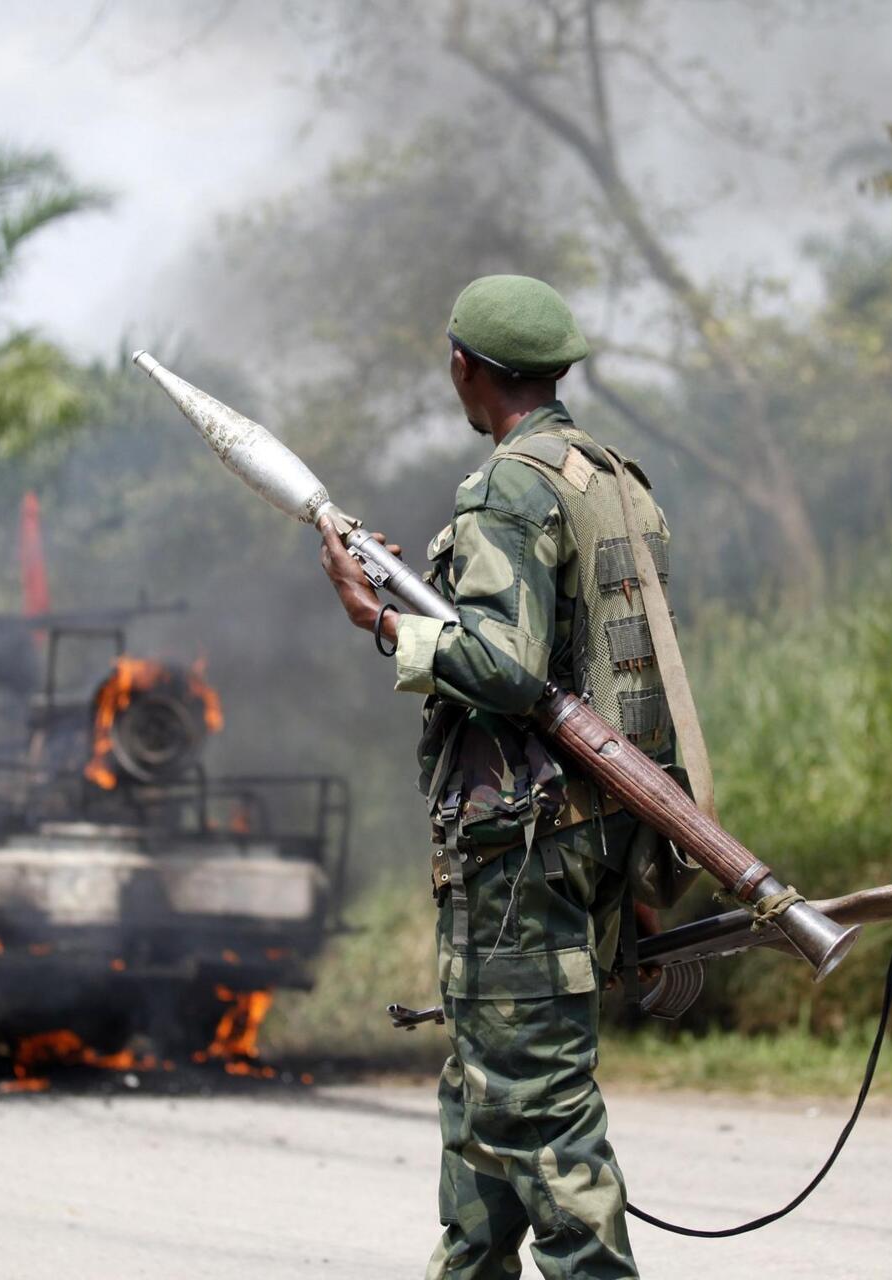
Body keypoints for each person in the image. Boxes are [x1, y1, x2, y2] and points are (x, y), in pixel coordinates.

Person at [320, 274, 678, 1279]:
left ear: (463, 367)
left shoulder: (506, 487)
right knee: (481, 1100)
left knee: (538, 1108)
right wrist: (648, 865)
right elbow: (638, 681)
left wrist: (380, 619)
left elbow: (509, 670)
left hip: (523, 848)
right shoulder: (612, 477)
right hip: (601, 828)